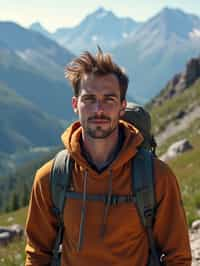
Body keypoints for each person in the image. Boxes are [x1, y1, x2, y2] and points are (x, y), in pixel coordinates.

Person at [25, 50, 192, 266]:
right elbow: (37, 255)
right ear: (75, 104)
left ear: (122, 106)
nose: (99, 109)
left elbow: (177, 256)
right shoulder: (51, 178)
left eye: (109, 99)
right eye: (89, 99)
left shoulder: (156, 177)